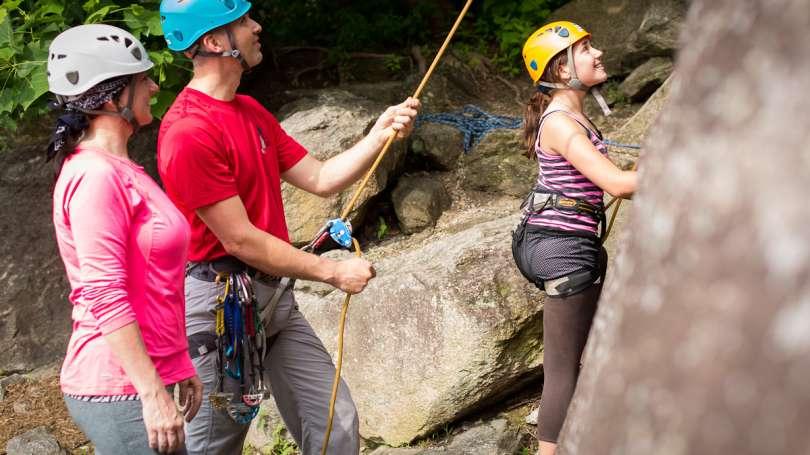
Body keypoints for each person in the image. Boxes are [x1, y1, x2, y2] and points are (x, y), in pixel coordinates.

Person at [155, 1, 420, 453]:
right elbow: (239, 238)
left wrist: (378, 135)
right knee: (216, 444)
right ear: (216, 42)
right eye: (242, 21)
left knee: (334, 419)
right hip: (220, 306)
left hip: (272, 296)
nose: (256, 26)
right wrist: (332, 272)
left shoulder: (250, 111)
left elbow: (319, 178)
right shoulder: (188, 132)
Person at [47, 24, 203, 454]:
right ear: (113, 98)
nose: (154, 86)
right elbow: (104, 291)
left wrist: (177, 363)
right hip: (118, 386)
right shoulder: (95, 175)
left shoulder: (125, 170)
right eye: (142, 80)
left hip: (142, 378)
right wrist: (153, 393)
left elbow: (151, 285)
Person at [510, 21, 638, 455]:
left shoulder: (573, 116)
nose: (597, 52)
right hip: (561, 247)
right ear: (562, 71)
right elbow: (617, 185)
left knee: (599, 349)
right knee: (563, 370)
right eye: (585, 49)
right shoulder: (562, 124)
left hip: (565, 241)